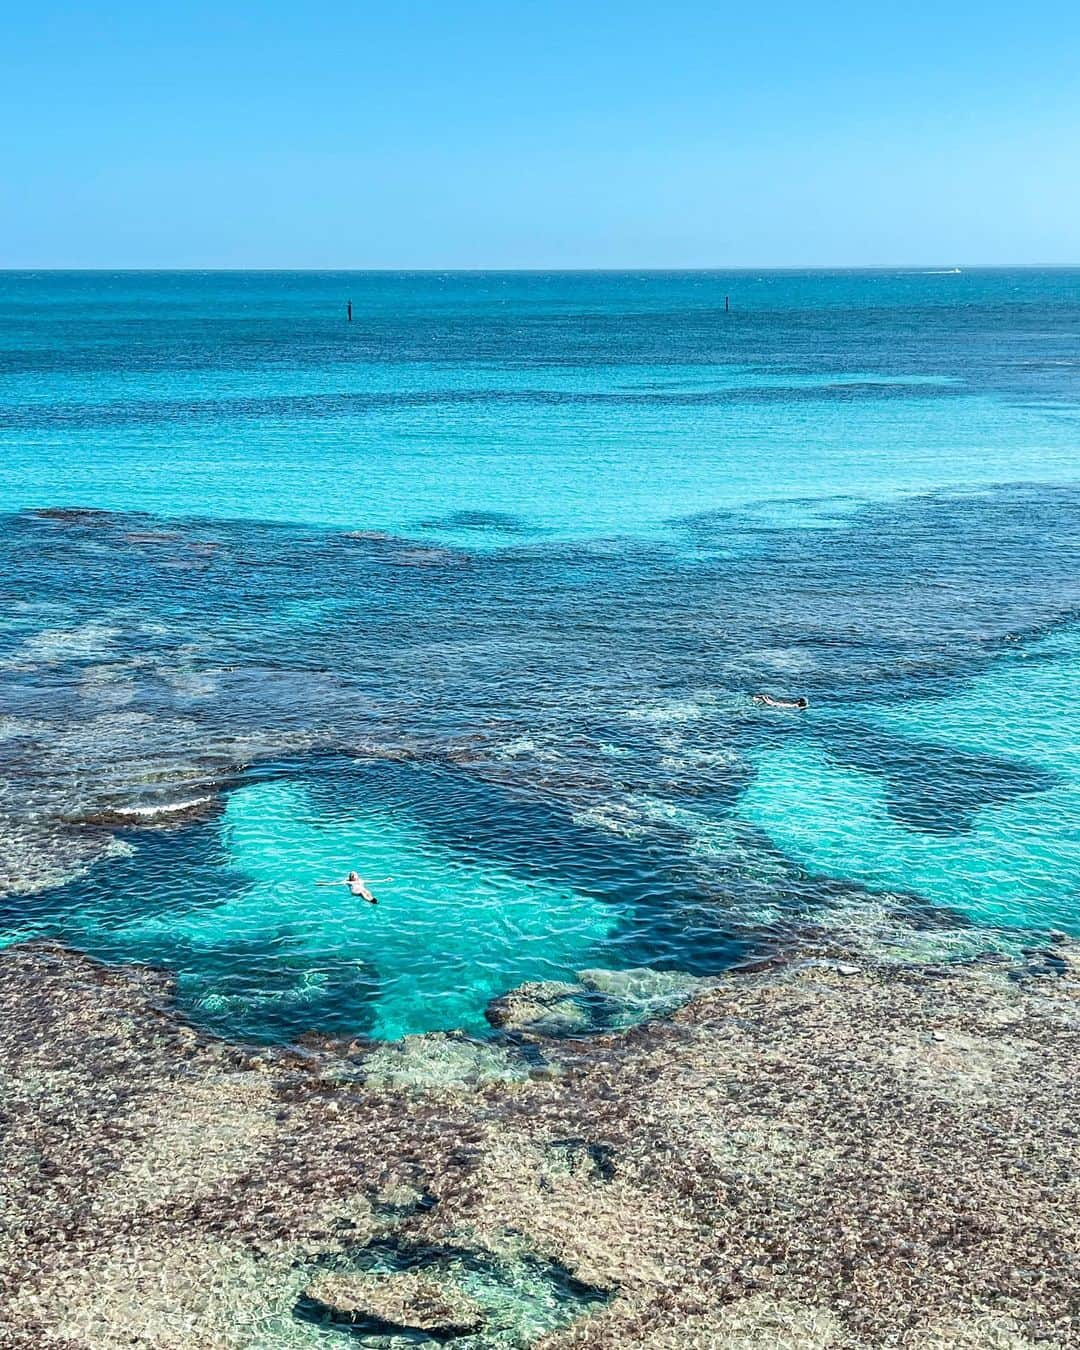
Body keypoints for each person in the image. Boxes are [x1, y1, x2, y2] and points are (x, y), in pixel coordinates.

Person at [317, 871, 391, 904]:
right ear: (350, 877)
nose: (353, 876)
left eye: (354, 875)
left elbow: (373, 881)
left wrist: (385, 880)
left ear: (357, 876)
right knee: (362, 893)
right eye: (351, 875)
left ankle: (372, 900)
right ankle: (370, 901)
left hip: (363, 889)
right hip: (355, 891)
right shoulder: (348, 882)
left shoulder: (361, 881)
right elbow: (335, 884)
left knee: (367, 892)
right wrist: (323, 884)